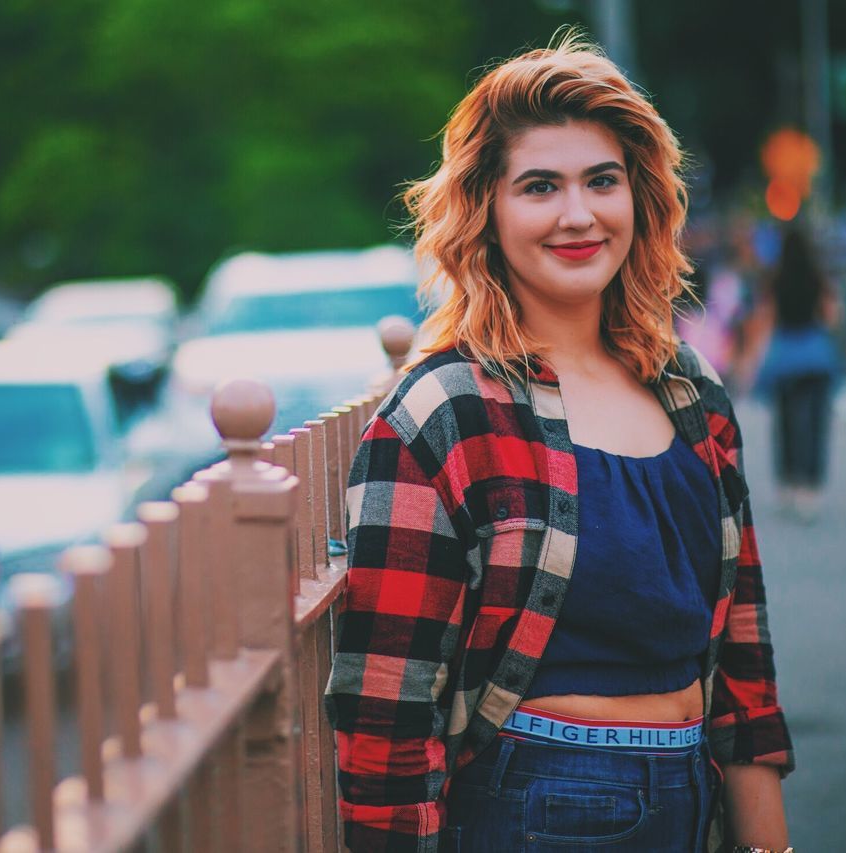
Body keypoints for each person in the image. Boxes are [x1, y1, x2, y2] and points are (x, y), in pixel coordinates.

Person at [325, 33, 793, 853]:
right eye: (540, 186)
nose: (579, 214)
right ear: (487, 211)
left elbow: (744, 657)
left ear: (638, 198)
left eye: (601, 181)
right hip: (537, 808)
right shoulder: (445, 411)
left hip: (697, 798)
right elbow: (387, 714)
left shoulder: (690, 392)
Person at [744, 226, 842, 521]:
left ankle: (788, 485)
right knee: (816, 425)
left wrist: (751, 362)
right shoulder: (819, 278)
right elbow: (833, 317)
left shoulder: (775, 280)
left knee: (785, 422)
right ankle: (811, 490)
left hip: (785, 359)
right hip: (816, 357)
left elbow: (765, 321)